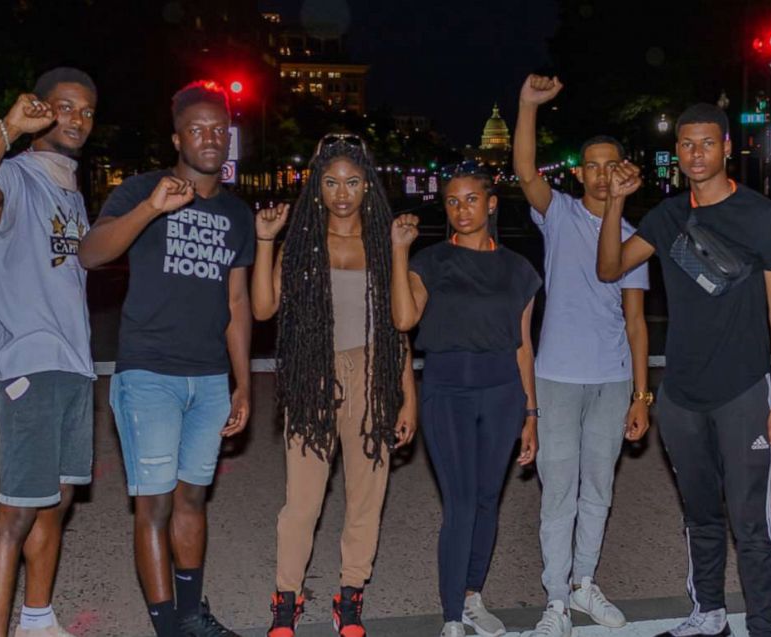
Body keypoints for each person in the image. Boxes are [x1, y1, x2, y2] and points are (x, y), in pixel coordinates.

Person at [596, 103, 771, 637]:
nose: (696, 153)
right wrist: (617, 201)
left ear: (727, 147)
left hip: (743, 390)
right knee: (700, 514)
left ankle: (763, 628)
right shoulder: (666, 217)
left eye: (707, 143)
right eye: (686, 144)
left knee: (751, 523)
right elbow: (610, 266)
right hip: (681, 395)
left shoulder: (760, 215)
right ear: (677, 151)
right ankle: (708, 615)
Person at [78, 80, 253, 637]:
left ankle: (191, 613)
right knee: (152, 507)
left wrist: (243, 384)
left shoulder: (237, 214)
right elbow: (90, 252)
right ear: (177, 136)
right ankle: (167, 627)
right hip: (148, 373)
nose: (210, 138)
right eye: (198, 129)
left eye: (219, 130)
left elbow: (237, 301)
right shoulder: (140, 190)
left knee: (192, 500)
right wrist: (151, 209)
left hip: (208, 379)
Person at [0, 67, 98, 637]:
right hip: (30, 365)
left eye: (86, 111)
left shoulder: (71, 191)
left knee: (54, 501)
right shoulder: (15, 176)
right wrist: (4, 131)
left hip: (74, 366)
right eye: (65, 106)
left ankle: (38, 619)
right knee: (16, 511)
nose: (77, 118)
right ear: (40, 110)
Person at [251, 133, 417, 637]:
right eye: (331, 182)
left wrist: (408, 397)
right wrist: (264, 242)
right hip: (314, 376)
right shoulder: (301, 241)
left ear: (368, 185)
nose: (341, 192)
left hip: (372, 375)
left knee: (366, 497)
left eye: (351, 181)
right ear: (317, 188)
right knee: (302, 502)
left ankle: (351, 594)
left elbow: (396, 329)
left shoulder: (384, 242)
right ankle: (287, 596)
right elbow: (263, 308)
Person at [512, 74, 651, 637]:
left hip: (612, 379)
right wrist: (527, 106)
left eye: (609, 164)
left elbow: (637, 322)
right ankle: (554, 600)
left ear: (623, 171)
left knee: (599, 489)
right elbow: (524, 171)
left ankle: (585, 583)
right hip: (556, 378)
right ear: (579, 172)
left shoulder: (637, 235)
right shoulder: (560, 215)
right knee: (557, 492)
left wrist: (642, 394)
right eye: (590, 165)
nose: (599, 173)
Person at [391, 162, 542, 637]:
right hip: (447, 389)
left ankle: (474, 595)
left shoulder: (519, 269)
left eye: (471, 199)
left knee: (485, 499)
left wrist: (531, 413)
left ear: (491, 203)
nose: (461, 209)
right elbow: (403, 321)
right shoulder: (429, 261)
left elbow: (523, 345)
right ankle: (452, 615)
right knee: (458, 501)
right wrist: (399, 254)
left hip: (502, 392)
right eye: (452, 201)